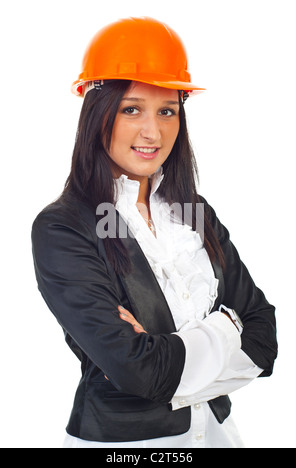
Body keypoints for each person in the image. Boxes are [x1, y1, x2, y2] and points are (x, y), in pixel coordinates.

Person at [31, 17, 277, 449]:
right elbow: (133, 370)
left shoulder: (194, 212)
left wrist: (165, 351)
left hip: (219, 438)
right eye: (131, 109)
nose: (153, 132)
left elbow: (264, 338)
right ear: (96, 113)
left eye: (168, 111)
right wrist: (226, 330)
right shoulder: (63, 227)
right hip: (124, 449)